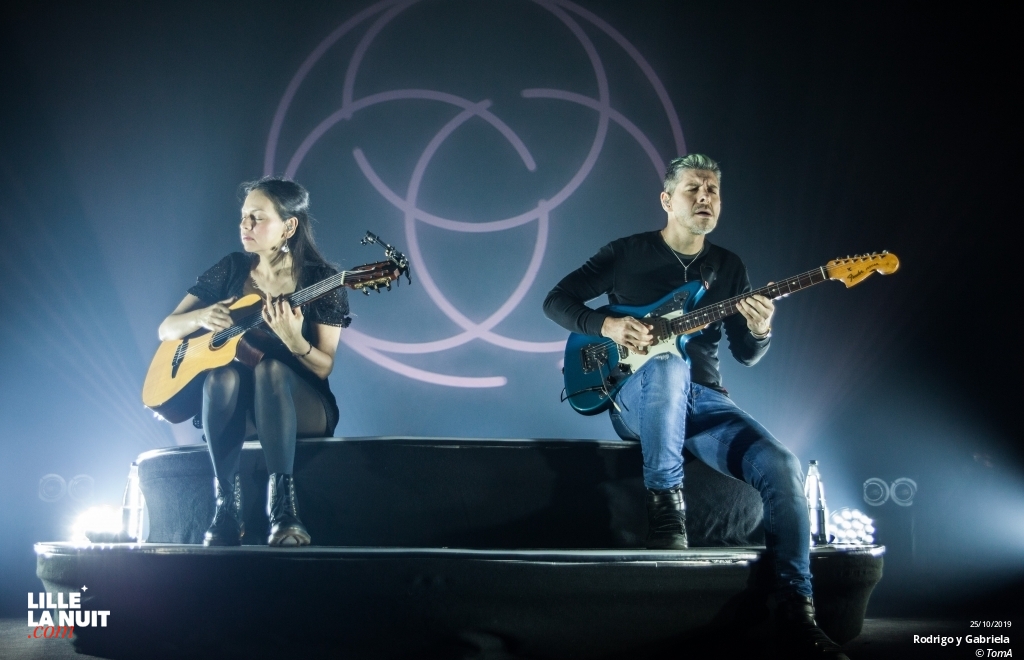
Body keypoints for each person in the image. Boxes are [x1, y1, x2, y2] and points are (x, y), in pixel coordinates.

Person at [543, 154, 847, 659]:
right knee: (667, 368)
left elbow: (746, 356)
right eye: (693, 189)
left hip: (703, 401)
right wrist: (609, 326)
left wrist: (760, 328)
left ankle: (797, 609)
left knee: (783, 465)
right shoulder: (626, 252)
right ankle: (666, 514)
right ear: (667, 200)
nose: (705, 197)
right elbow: (557, 299)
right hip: (635, 391)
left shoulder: (727, 267)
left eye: (713, 190)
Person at [158, 177, 350, 547]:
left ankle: (285, 512)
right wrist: (200, 318)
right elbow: (167, 328)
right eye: (244, 217)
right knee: (219, 379)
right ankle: (226, 509)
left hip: (301, 404)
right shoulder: (231, 269)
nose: (245, 225)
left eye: (257, 218)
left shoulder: (322, 280)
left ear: (289, 226)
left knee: (272, 369)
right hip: (241, 407)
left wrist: (295, 341)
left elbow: (324, 367)